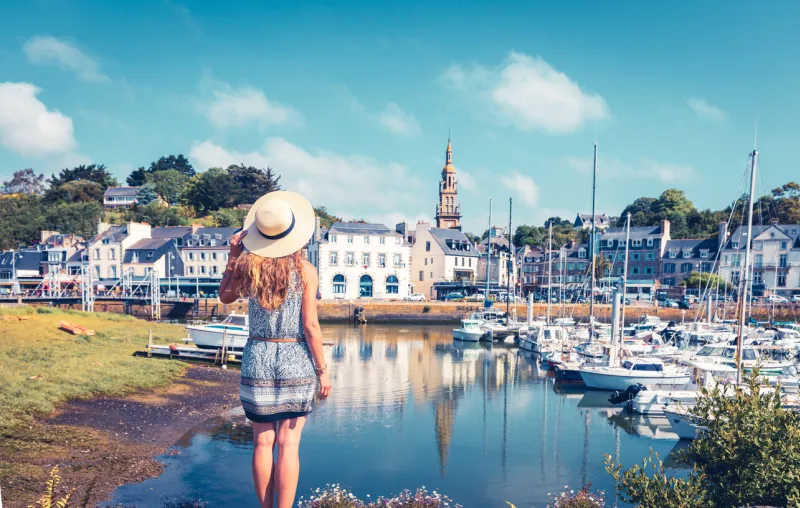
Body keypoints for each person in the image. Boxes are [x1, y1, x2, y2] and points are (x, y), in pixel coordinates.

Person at [218, 191, 332, 508]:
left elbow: (224, 298)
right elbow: (310, 326)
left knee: (262, 442)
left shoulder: (247, 268)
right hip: (296, 359)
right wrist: (322, 370)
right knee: (289, 443)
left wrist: (233, 253)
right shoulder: (307, 272)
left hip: (258, 358)